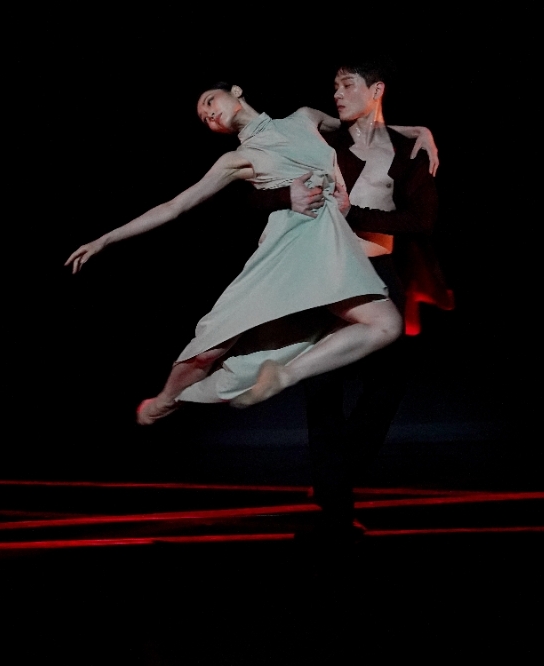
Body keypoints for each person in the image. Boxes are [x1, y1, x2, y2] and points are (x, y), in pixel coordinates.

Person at [66, 83, 437, 426]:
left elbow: (357, 130)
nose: (208, 114)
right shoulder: (237, 158)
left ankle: (284, 375)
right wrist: (105, 239)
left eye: (209, 102)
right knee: (210, 349)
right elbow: (173, 207)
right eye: (204, 118)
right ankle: (166, 399)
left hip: (331, 241)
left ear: (236, 91)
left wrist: (416, 131)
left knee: (386, 326)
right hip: (287, 248)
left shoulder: (304, 117)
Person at [249, 60, 454, 543]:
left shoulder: (406, 149)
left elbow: (421, 221)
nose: (337, 94)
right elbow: (259, 189)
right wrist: (287, 197)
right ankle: (335, 510)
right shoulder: (322, 140)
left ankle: (336, 472)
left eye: (347, 85)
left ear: (376, 89)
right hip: (324, 275)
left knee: (388, 384)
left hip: (377, 275)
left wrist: (353, 211)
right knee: (322, 389)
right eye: (334, 86)